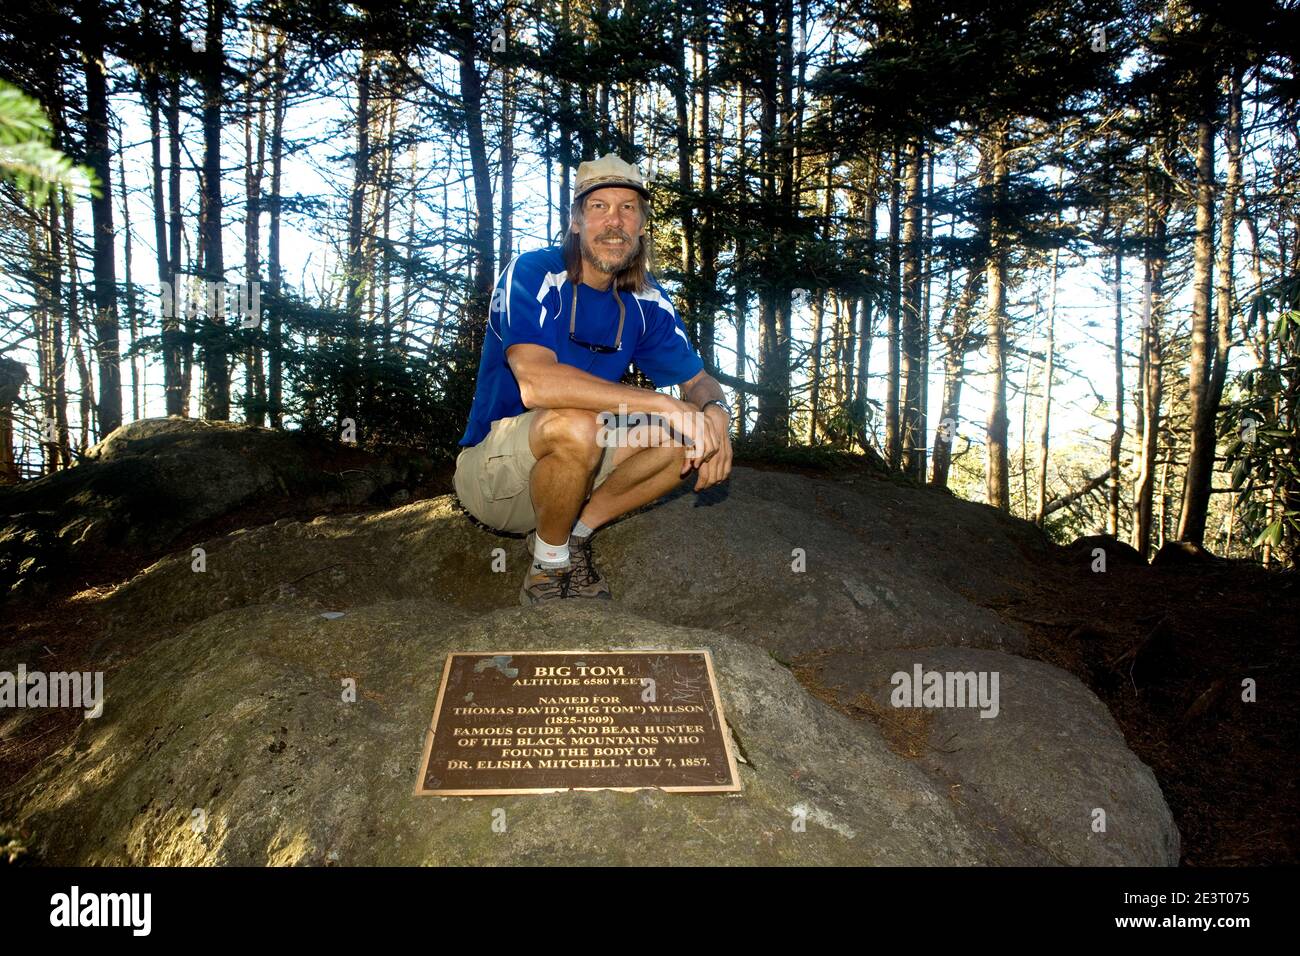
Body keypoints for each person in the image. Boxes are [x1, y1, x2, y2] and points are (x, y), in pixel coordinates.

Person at [453, 153, 735, 605]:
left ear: (642, 225)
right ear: (576, 222)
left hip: (583, 462)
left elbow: (698, 380)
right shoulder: (533, 273)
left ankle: (574, 538)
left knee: (686, 437)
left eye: (628, 208)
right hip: (496, 474)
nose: (614, 221)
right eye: (599, 206)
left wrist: (714, 412)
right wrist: (665, 404)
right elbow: (538, 385)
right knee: (578, 423)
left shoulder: (645, 298)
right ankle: (548, 566)